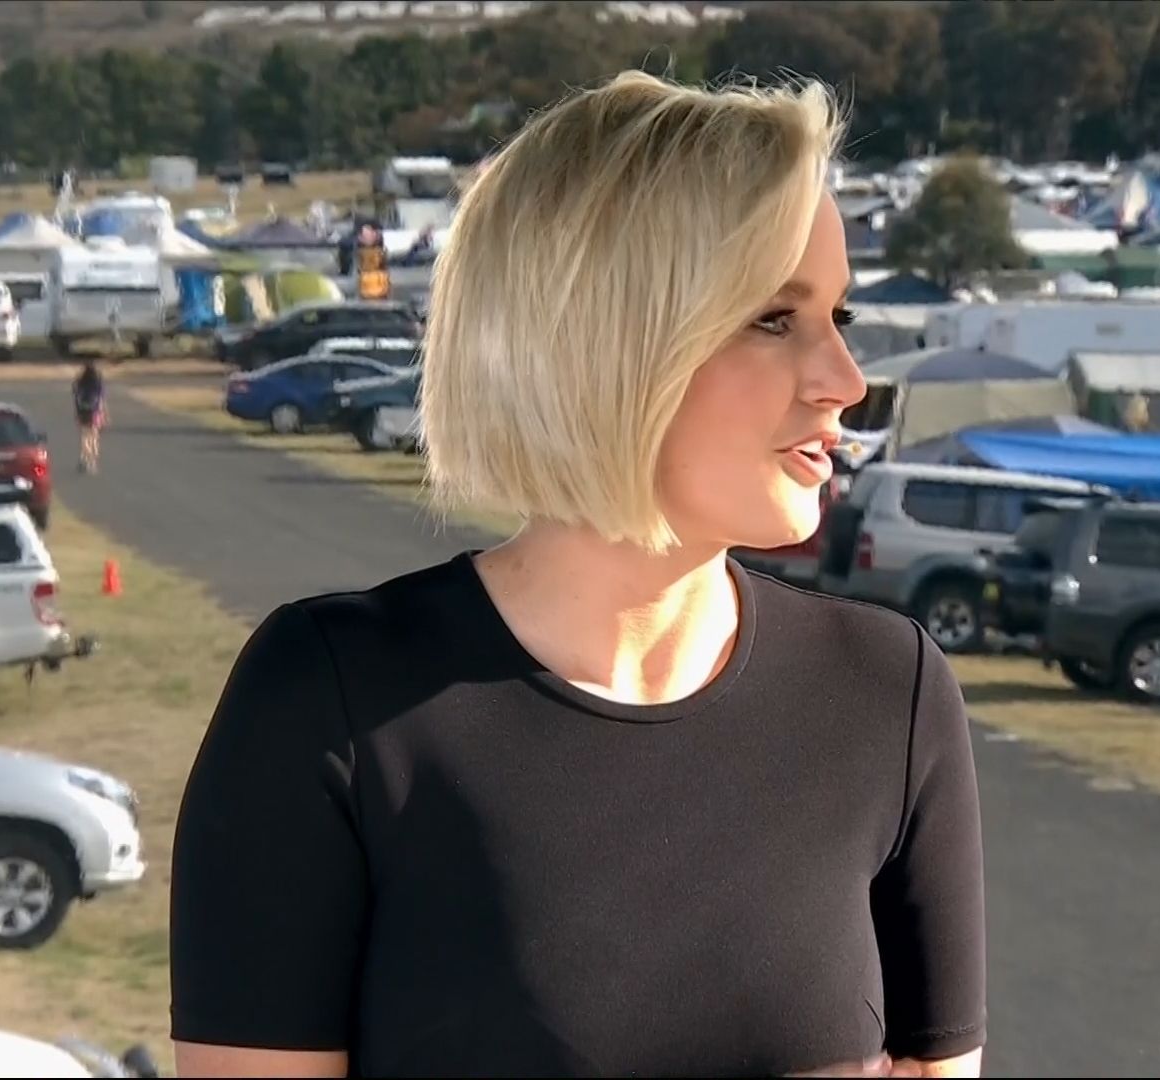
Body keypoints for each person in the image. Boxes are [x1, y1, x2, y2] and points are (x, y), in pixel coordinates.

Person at [171, 71, 986, 1080]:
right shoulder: (329, 702)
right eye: (777, 319)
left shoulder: (888, 693)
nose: (847, 382)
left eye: (840, 318)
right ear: (607, 340)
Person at [73, 359, 107, 474]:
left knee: (85, 437)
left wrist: (77, 412)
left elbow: (75, 396)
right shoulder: (98, 382)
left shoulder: (80, 381)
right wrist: (103, 413)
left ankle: (84, 458)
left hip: (82, 411)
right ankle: (93, 461)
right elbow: (101, 399)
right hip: (94, 411)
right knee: (94, 437)